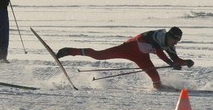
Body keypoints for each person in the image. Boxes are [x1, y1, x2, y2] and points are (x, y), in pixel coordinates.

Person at [56, 27, 194, 89]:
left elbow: (175, 59)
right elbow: (159, 52)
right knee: (99, 55)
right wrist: (170, 63)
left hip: (141, 56)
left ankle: (159, 88)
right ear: (169, 36)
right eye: (175, 40)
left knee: (155, 76)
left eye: (178, 41)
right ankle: (69, 51)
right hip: (128, 48)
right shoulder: (158, 36)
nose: (176, 43)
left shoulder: (170, 45)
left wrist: (185, 62)